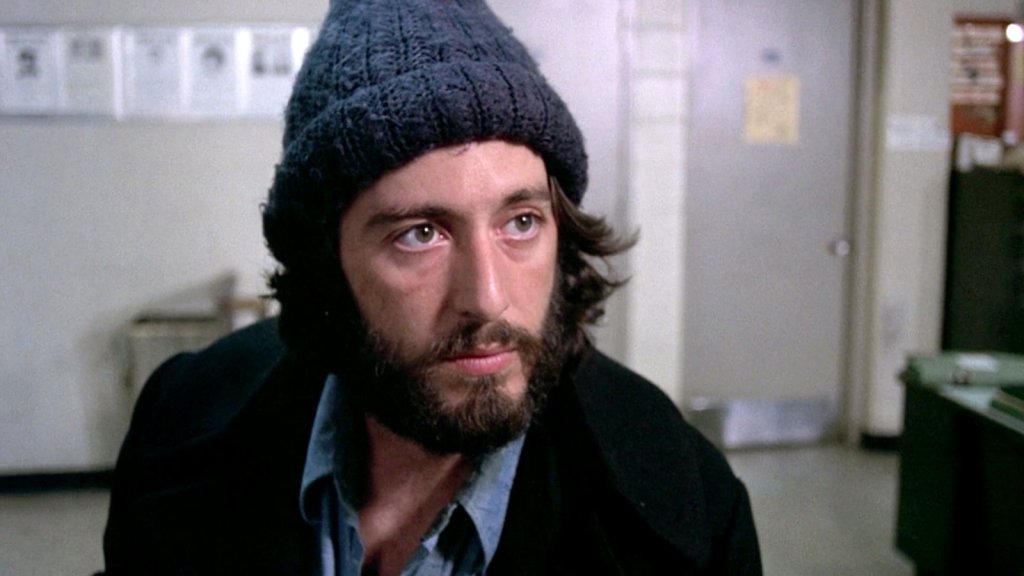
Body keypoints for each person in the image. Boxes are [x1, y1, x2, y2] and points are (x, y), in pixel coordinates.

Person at [100, 1, 761, 574]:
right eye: (420, 234)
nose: (489, 298)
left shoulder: (685, 507)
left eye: (521, 222)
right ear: (327, 264)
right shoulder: (182, 422)